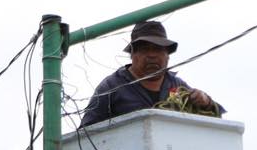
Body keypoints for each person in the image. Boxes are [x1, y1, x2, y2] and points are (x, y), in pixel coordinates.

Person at [81, 20, 221, 126]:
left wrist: (206, 102)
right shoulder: (111, 86)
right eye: (145, 49)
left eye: (158, 49)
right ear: (132, 54)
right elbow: (86, 132)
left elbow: (215, 119)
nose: (152, 55)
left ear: (168, 55)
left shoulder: (178, 86)